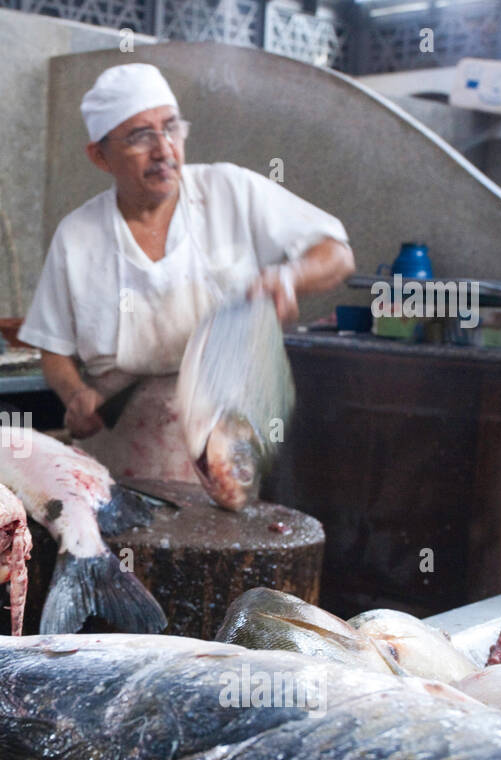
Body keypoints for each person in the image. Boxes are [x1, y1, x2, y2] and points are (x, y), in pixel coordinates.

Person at [18, 63, 355, 480]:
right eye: (141, 136)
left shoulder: (230, 191)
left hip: (227, 434)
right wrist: (77, 395)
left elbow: (337, 254)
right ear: (99, 155)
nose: (164, 149)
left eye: (171, 128)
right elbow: (53, 349)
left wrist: (288, 277)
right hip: (120, 444)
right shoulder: (77, 236)